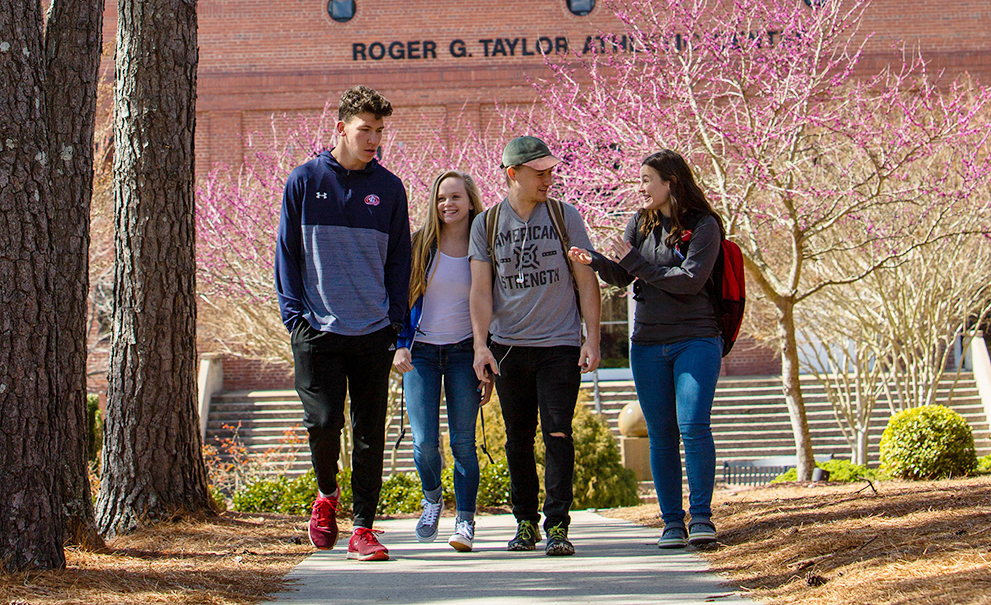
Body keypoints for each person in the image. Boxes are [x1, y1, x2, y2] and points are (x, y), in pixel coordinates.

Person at [275, 85, 411, 562]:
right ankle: (327, 496)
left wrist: (397, 324)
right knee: (325, 423)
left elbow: (400, 262)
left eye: (379, 131)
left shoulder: (390, 188)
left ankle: (364, 529)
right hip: (318, 329)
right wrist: (295, 318)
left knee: (370, 432)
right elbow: (287, 256)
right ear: (341, 128)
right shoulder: (303, 180)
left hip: (373, 331)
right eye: (364, 130)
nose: (373, 139)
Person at [568, 149, 723, 549]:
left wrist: (637, 264)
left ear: (670, 183)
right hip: (649, 342)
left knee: (693, 426)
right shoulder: (638, 222)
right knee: (660, 434)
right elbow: (624, 275)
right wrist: (596, 261)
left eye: (646, 180)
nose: (640, 188)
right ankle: (672, 522)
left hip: (696, 339)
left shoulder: (704, 226)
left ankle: (702, 517)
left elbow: (689, 281)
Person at [469, 136, 601, 556]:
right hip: (508, 347)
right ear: (513, 174)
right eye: (540, 173)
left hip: (559, 344)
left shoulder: (565, 217)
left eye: (550, 172)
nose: (549, 179)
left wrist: (592, 339)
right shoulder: (486, 224)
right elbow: (480, 292)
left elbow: (586, 280)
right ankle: (525, 523)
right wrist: (480, 347)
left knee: (558, 433)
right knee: (517, 439)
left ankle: (559, 525)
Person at [393, 170, 490, 552]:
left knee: (464, 443)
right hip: (422, 354)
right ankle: (432, 497)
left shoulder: (483, 247)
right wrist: (399, 344)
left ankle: (465, 520)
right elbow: (401, 298)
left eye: (455, 198)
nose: (447, 204)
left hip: (466, 352)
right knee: (424, 444)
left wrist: (487, 358)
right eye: (441, 198)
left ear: (470, 202)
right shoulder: (419, 245)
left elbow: (491, 305)